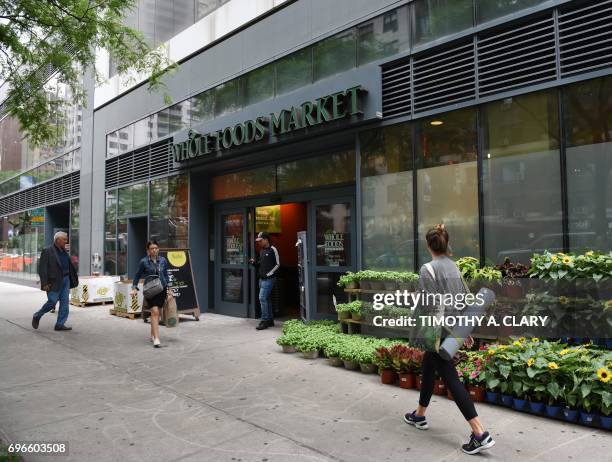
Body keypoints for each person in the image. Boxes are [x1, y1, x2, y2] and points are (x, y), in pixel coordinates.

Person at [404, 224, 495, 455]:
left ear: (428, 246)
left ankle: (479, 433)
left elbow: (428, 306)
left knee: (450, 378)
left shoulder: (428, 269)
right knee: (428, 367)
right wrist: (462, 331)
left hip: (437, 331)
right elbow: (462, 300)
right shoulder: (454, 267)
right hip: (451, 328)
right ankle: (420, 415)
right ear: (446, 244)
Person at [32, 231, 79, 331]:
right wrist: (44, 283)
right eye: (64, 240)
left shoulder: (64, 251)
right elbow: (42, 269)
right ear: (58, 240)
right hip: (53, 281)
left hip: (66, 280)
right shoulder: (47, 251)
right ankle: (37, 315)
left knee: (65, 303)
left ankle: (60, 324)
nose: (66, 241)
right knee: (52, 302)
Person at [131, 240, 169, 348]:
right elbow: (137, 276)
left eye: (156, 248)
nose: (154, 250)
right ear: (148, 250)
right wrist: (134, 288)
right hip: (151, 290)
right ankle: (157, 338)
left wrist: (169, 288)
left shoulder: (163, 261)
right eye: (152, 248)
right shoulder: (144, 262)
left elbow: (166, 275)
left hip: (162, 289)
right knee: (155, 311)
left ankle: (153, 334)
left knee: (156, 313)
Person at [249, 232, 280, 330]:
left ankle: (264, 321)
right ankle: (270, 320)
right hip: (261, 279)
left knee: (262, 298)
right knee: (266, 299)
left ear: (266, 239)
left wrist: (269, 274)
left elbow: (278, 264)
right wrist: (254, 263)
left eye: (261, 241)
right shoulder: (262, 251)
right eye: (258, 241)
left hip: (269, 279)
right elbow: (260, 264)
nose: (259, 243)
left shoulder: (273, 249)